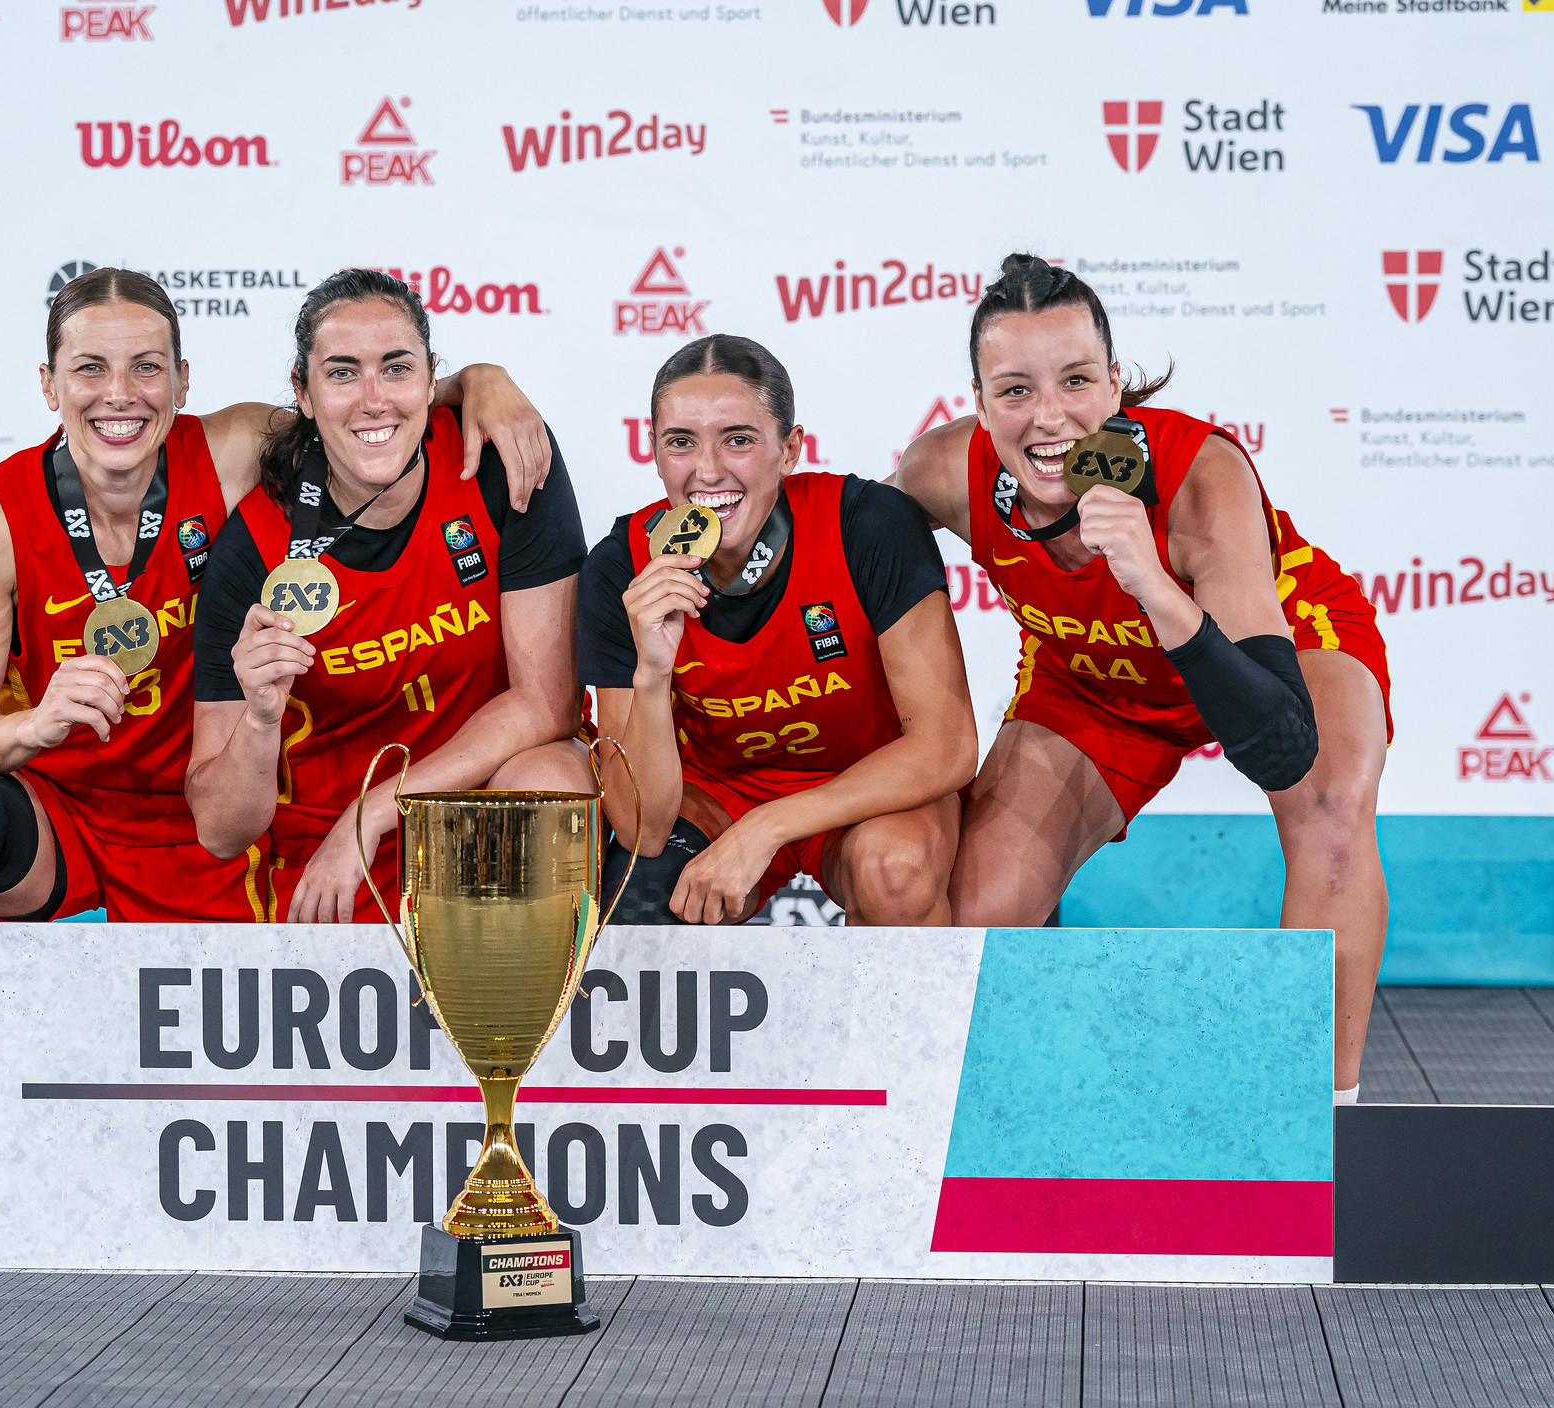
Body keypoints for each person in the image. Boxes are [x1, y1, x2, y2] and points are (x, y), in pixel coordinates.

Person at [0, 267, 552, 922]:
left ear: (183, 381)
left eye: (147, 368)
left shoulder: (234, 448)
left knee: (220, 1010)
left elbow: (359, 409)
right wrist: (34, 725)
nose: (120, 395)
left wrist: (478, 380)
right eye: (90, 369)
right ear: (49, 385)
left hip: (214, 809)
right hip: (67, 810)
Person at [894, 254, 1393, 1100]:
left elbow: (1278, 742)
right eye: (1014, 390)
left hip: (1266, 645)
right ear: (977, 404)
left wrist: (1152, 583)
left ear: (1117, 385)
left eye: (1076, 381)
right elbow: (837, 581)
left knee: (1331, 814)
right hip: (1092, 676)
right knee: (972, 915)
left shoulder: (1201, 475)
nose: (1048, 417)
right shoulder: (939, 474)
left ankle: (1329, 1123)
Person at [186, 269, 590, 923]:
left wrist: (374, 809)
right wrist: (260, 720)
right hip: (324, 853)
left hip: (459, 807)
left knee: (554, 780)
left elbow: (549, 704)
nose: (373, 400)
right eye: (343, 373)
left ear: (432, 379)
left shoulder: (500, 460)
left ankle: (507, 1018)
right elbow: (220, 829)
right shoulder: (255, 548)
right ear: (304, 391)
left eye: (395, 369)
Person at [579, 334, 977, 926]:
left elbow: (948, 748)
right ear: (654, 451)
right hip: (718, 791)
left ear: (790, 449)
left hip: (868, 785)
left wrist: (768, 825)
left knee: (895, 872)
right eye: (681, 442)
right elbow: (645, 828)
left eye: (738, 440)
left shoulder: (868, 524)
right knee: (642, 901)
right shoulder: (620, 566)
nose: (708, 470)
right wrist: (652, 672)